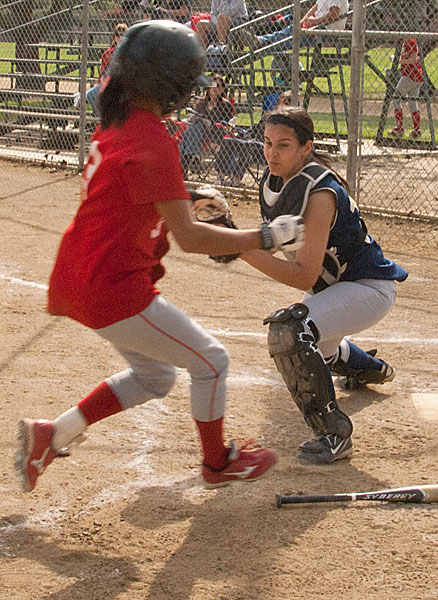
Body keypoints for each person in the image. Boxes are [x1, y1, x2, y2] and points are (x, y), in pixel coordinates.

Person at [14, 21, 306, 493]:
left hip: (82, 273)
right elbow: (189, 237)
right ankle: (218, 463)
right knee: (212, 362)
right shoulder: (153, 140)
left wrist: (182, 197)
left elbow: (131, 193)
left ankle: (52, 435)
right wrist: (265, 236)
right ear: (167, 83)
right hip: (113, 284)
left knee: (154, 377)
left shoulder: (118, 122)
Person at [238, 106, 408, 465]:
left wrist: (240, 250)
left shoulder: (320, 193)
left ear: (307, 148)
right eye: (267, 143)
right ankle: (371, 368)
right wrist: (227, 237)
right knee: (320, 351)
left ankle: (334, 434)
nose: (272, 153)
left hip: (368, 287)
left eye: (283, 145)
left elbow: (302, 274)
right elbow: (273, 245)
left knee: (290, 331)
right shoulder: (275, 184)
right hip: (332, 289)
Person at [214, 90, 292, 187]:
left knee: (247, 146)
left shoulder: (289, 123)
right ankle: (220, 178)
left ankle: (236, 180)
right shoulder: (269, 116)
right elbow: (254, 130)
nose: (283, 106)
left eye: (286, 103)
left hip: (265, 147)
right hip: (251, 141)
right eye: (282, 102)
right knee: (228, 141)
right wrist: (244, 135)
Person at [236, 0, 348, 52]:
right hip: (317, 26)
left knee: (293, 38)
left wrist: (315, 21)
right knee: (292, 30)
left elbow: (334, 14)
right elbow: (314, 8)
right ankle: (261, 42)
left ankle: (261, 43)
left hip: (326, 31)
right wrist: (301, 22)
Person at [179, 74, 234, 177]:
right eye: (213, 85)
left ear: (222, 89)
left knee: (188, 133)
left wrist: (210, 124)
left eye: (219, 86)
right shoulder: (201, 103)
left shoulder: (225, 105)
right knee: (194, 128)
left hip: (216, 133)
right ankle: (193, 159)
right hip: (200, 135)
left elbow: (226, 123)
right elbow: (194, 119)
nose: (215, 88)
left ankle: (185, 166)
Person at [74, 23, 128, 119]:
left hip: (124, 83)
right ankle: (101, 118)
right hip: (109, 82)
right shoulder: (108, 53)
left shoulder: (129, 52)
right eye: (117, 35)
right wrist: (104, 83)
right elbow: (102, 74)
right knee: (91, 94)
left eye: (122, 35)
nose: (119, 38)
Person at [388, 38, 423, 139]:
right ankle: (417, 131)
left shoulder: (410, 41)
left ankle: (399, 128)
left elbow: (414, 60)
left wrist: (398, 61)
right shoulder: (405, 42)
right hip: (416, 77)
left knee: (396, 99)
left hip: (409, 76)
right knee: (412, 103)